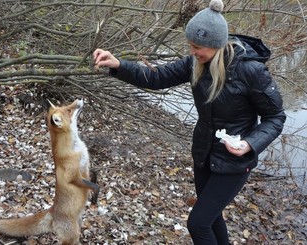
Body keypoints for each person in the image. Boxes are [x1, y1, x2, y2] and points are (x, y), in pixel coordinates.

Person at [93, 0, 286, 244]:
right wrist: (119, 65)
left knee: (198, 223)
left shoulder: (251, 72)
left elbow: (276, 117)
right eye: (191, 45)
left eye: (197, 47)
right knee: (212, 218)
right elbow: (156, 78)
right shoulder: (196, 63)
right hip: (204, 153)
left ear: (216, 44)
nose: (193, 51)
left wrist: (249, 143)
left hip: (234, 161)